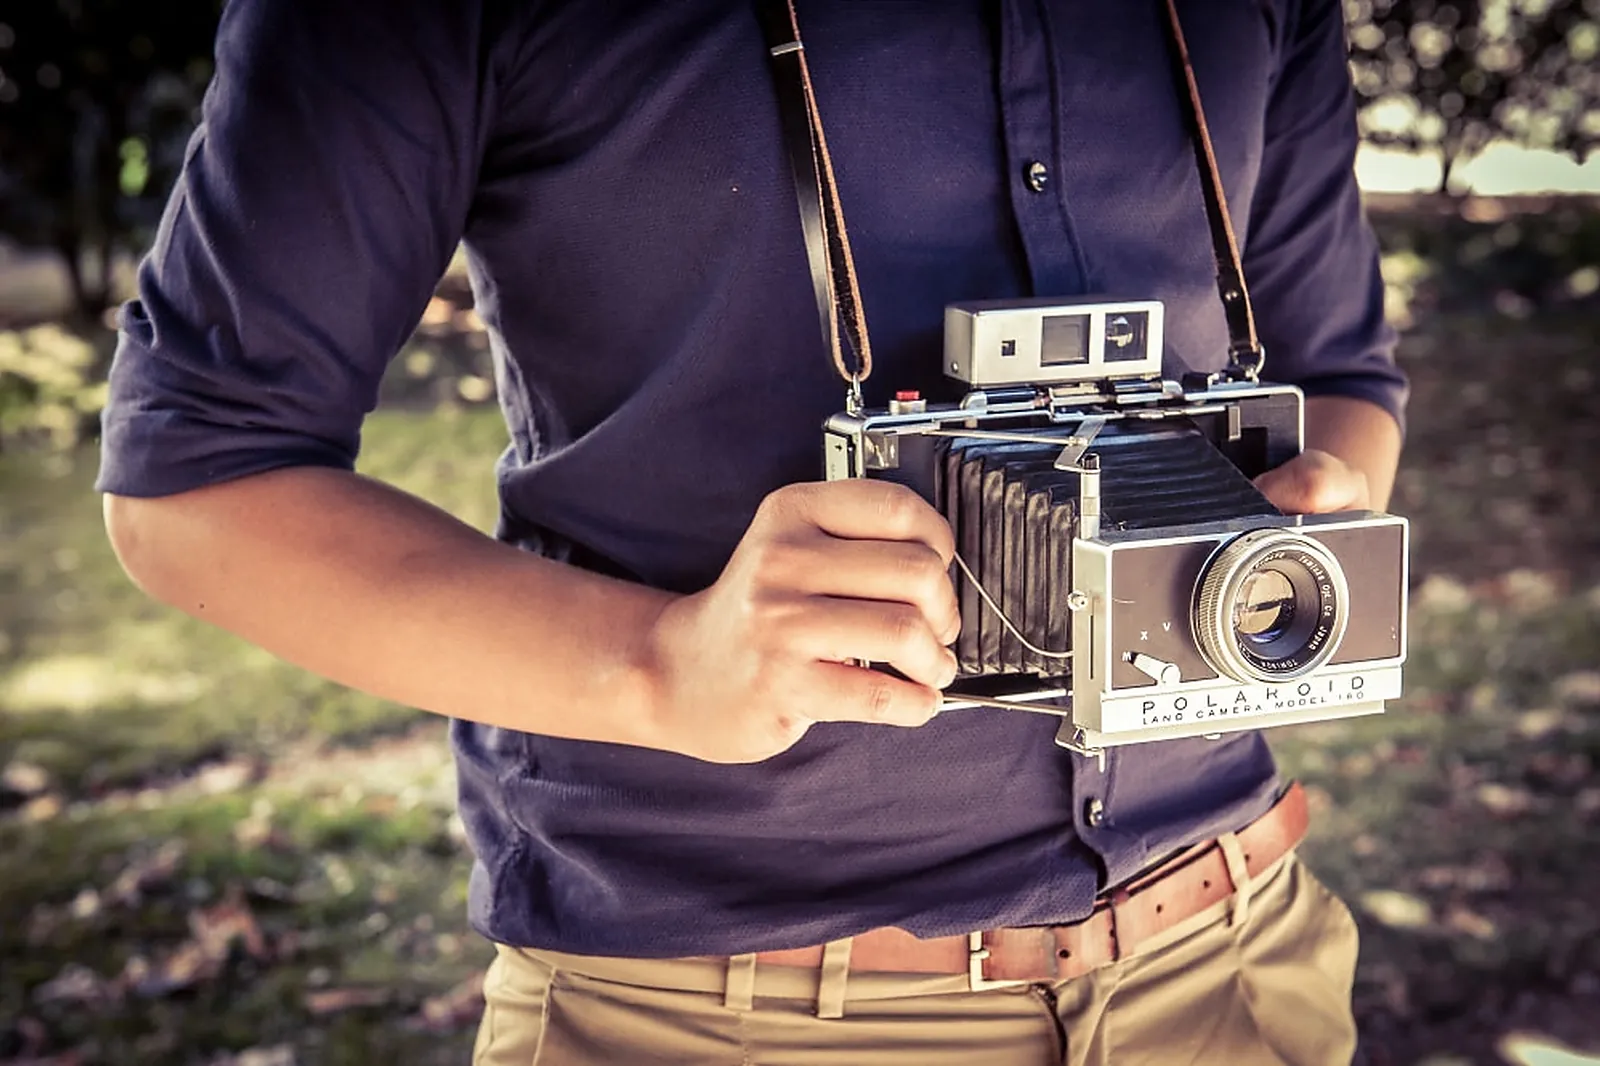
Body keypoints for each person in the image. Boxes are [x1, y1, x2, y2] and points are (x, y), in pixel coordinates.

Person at [97, 0, 1407, 1062]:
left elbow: (1342, 377)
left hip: (1234, 958)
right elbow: (197, 490)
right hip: (726, 1011)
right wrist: (661, 658)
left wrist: (1310, 502)